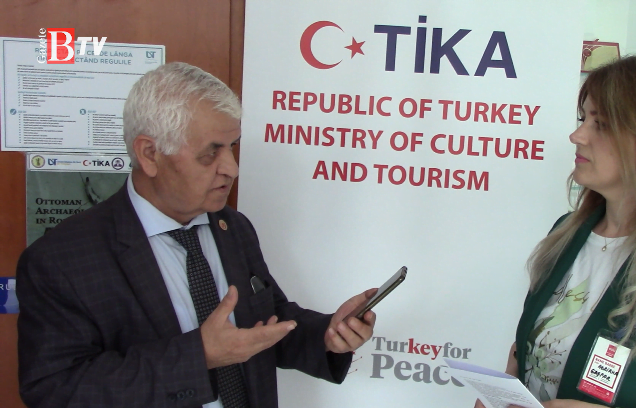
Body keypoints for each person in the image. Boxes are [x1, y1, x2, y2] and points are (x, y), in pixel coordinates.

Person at [16, 62, 377, 408]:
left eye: (232, 147)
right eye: (210, 153)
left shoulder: (233, 227)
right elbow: (57, 392)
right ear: (150, 154)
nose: (232, 168)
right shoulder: (60, 261)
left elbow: (265, 319)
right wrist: (198, 356)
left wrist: (326, 334)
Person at [477, 55, 636, 408]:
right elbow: (534, 357)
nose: (577, 135)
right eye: (584, 118)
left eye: (602, 124)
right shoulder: (565, 234)